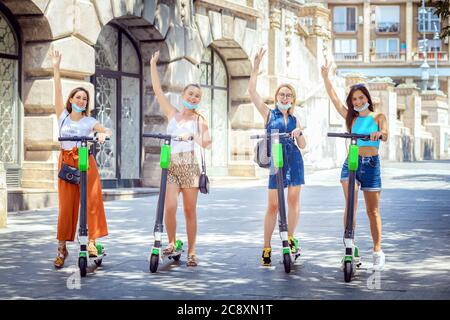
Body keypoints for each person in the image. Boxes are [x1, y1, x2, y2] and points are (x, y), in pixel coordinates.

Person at [321, 59, 388, 271]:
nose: (358, 102)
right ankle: (350, 248)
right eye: (354, 99)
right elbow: (333, 99)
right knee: (351, 206)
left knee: (372, 211)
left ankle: (377, 251)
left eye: (361, 98)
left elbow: (385, 134)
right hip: (351, 162)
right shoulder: (350, 117)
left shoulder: (378, 116)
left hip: (371, 164)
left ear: (367, 98)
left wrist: (379, 133)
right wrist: (326, 77)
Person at [51, 49, 112, 269]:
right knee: (66, 207)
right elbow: (57, 91)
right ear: (71, 100)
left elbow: (105, 130)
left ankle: (92, 243)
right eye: (78, 97)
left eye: (85, 98)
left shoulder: (89, 121)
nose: (82, 100)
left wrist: (103, 134)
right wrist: (56, 68)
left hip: (86, 161)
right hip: (67, 162)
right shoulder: (63, 116)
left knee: (92, 202)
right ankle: (61, 249)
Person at [150, 51, 212, 267]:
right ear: (183, 96)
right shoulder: (173, 113)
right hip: (171, 165)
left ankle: (192, 251)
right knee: (169, 207)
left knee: (189, 210)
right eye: (190, 94)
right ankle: (172, 242)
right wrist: (152, 64)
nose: (193, 97)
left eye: (197, 95)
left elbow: (207, 142)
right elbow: (157, 90)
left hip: (190, 166)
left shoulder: (200, 120)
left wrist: (193, 136)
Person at [248, 48, 307, 266]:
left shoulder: (295, 118)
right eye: (281, 94)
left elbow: (302, 145)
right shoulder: (268, 113)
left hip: (294, 160)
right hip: (276, 161)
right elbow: (251, 92)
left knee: (293, 201)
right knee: (273, 205)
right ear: (276, 98)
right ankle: (266, 247)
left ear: (293, 99)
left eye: (288, 95)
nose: (285, 97)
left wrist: (300, 134)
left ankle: (290, 239)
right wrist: (255, 69)